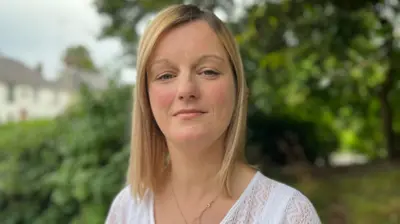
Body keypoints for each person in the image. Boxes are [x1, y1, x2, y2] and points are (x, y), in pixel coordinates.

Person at [105, 4, 321, 224]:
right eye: (165, 75)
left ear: (238, 89)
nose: (186, 90)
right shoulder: (127, 210)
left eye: (208, 71)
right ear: (145, 96)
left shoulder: (287, 214)